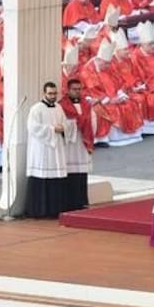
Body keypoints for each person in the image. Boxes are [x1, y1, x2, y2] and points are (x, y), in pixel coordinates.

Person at [24, 81, 69, 219]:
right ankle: (38, 210)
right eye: (50, 93)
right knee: (42, 178)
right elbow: (33, 127)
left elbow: (65, 123)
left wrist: (64, 128)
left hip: (56, 148)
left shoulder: (59, 108)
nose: (52, 96)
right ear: (44, 93)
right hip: (42, 148)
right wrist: (52, 129)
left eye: (55, 93)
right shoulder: (36, 109)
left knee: (55, 179)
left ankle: (54, 210)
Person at [60, 78, 94, 212]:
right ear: (68, 90)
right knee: (70, 172)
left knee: (82, 172)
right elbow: (61, 122)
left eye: (79, 89)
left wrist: (85, 124)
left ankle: (82, 201)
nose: (77, 92)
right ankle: (70, 203)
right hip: (70, 142)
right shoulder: (62, 105)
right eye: (74, 89)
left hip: (82, 141)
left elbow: (92, 120)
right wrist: (75, 123)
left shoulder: (86, 104)